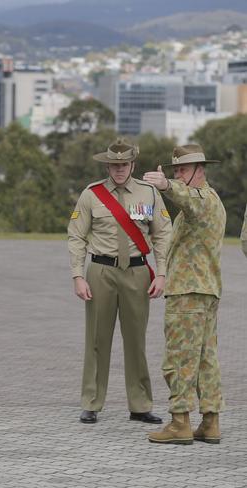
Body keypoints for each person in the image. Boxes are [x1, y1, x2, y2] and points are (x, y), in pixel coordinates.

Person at [67, 139, 172, 425]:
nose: (119, 170)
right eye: (114, 165)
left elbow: (163, 233)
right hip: (101, 271)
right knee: (97, 340)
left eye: (124, 165)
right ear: (107, 166)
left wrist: (161, 273)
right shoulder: (91, 194)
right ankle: (91, 402)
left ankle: (140, 405)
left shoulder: (149, 193)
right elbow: (76, 236)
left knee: (136, 341)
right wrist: (78, 275)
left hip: (137, 273)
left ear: (133, 164)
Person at [144, 144, 226, 445]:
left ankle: (180, 422)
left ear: (200, 170)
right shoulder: (211, 201)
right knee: (205, 359)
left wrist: (166, 184)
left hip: (189, 292)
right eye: (175, 170)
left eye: (183, 170)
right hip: (205, 291)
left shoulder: (202, 199)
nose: (178, 174)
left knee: (179, 358)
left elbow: (188, 197)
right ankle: (211, 421)